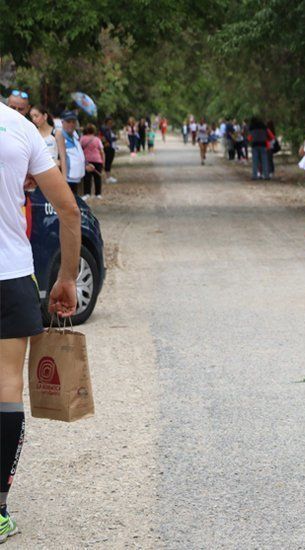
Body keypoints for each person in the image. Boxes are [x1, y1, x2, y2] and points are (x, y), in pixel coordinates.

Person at [0, 97, 81, 545]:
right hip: (8, 276)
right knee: (6, 385)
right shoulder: (21, 128)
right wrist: (66, 277)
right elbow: (68, 209)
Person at [29, 105, 67, 177]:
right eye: (32, 117)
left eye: (36, 116)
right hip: (37, 176)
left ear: (45, 116)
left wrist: (64, 179)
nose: (34, 119)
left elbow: (63, 157)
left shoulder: (57, 133)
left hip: (54, 174)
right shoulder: (33, 134)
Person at [60, 112, 86, 197]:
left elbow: (79, 153)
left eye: (73, 122)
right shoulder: (60, 137)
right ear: (62, 122)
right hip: (67, 178)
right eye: (68, 122)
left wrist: (86, 164)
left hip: (77, 177)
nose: (71, 124)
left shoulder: (75, 136)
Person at [80, 124, 105, 199]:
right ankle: (98, 194)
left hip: (87, 161)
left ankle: (87, 193)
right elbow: (101, 151)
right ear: (94, 131)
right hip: (97, 160)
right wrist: (103, 161)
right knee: (97, 177)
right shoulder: (97, 139)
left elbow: (79, 149)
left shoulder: (82, 138)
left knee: (87, 178)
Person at [100, 118, 118, 183]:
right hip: (108, 147)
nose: (111, 123)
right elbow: (108, 138)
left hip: (112, 146)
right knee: (108, 161)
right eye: (110, 122)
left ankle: (109, 176)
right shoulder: (104, 128)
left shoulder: (110, 129)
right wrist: (114, 138)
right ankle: (108, 177)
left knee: (110, 161)